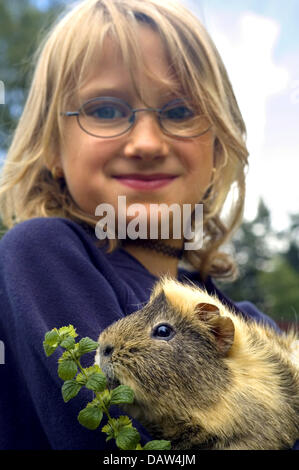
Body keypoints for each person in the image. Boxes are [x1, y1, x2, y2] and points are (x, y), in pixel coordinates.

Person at [0, 0, 296, 450]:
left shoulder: (247, 324)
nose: (146, 142)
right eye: (104, 109)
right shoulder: (42, 253)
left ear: (218, 152)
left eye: (179, 112)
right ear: (53, 150)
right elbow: (115, 437)